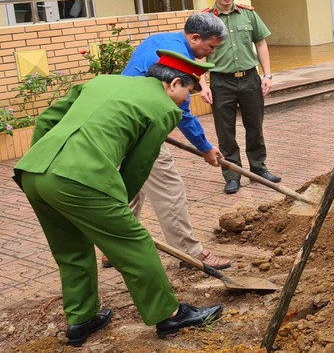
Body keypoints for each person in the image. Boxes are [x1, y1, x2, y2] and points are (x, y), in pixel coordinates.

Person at [13, 51, 224, 346]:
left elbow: (48, 118)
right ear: (174, 83)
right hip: (80, 180)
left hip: (34, 173)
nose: (185, 101)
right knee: (134, 244)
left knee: (71, 249)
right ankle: (170, 314)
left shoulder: (103, 81)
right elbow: (138, 167)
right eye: (188, 93)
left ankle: (81, 319)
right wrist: (117, 205)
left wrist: (45, 161)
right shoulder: (164, 108)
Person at [103, 12, 231, 270]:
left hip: (123, 120)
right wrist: (205, 148)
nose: (210, 54)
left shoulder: (160, 40)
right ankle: (189, 252)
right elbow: (182, 113)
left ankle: (114, 248)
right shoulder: (177, 60)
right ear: (195, 37)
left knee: (131, 184)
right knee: (169, 188)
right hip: (139, 128)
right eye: (210, 47)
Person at [203, 0, 280, 194]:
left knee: (255, 126)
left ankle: (258, 169)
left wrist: (267, 75)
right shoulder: (206, 19)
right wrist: (203, 84)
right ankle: (232, 174)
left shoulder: (249, 14)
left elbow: (261, 44)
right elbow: (199, 54)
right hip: (221, 82)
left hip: (249, 79)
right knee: (225, 132)